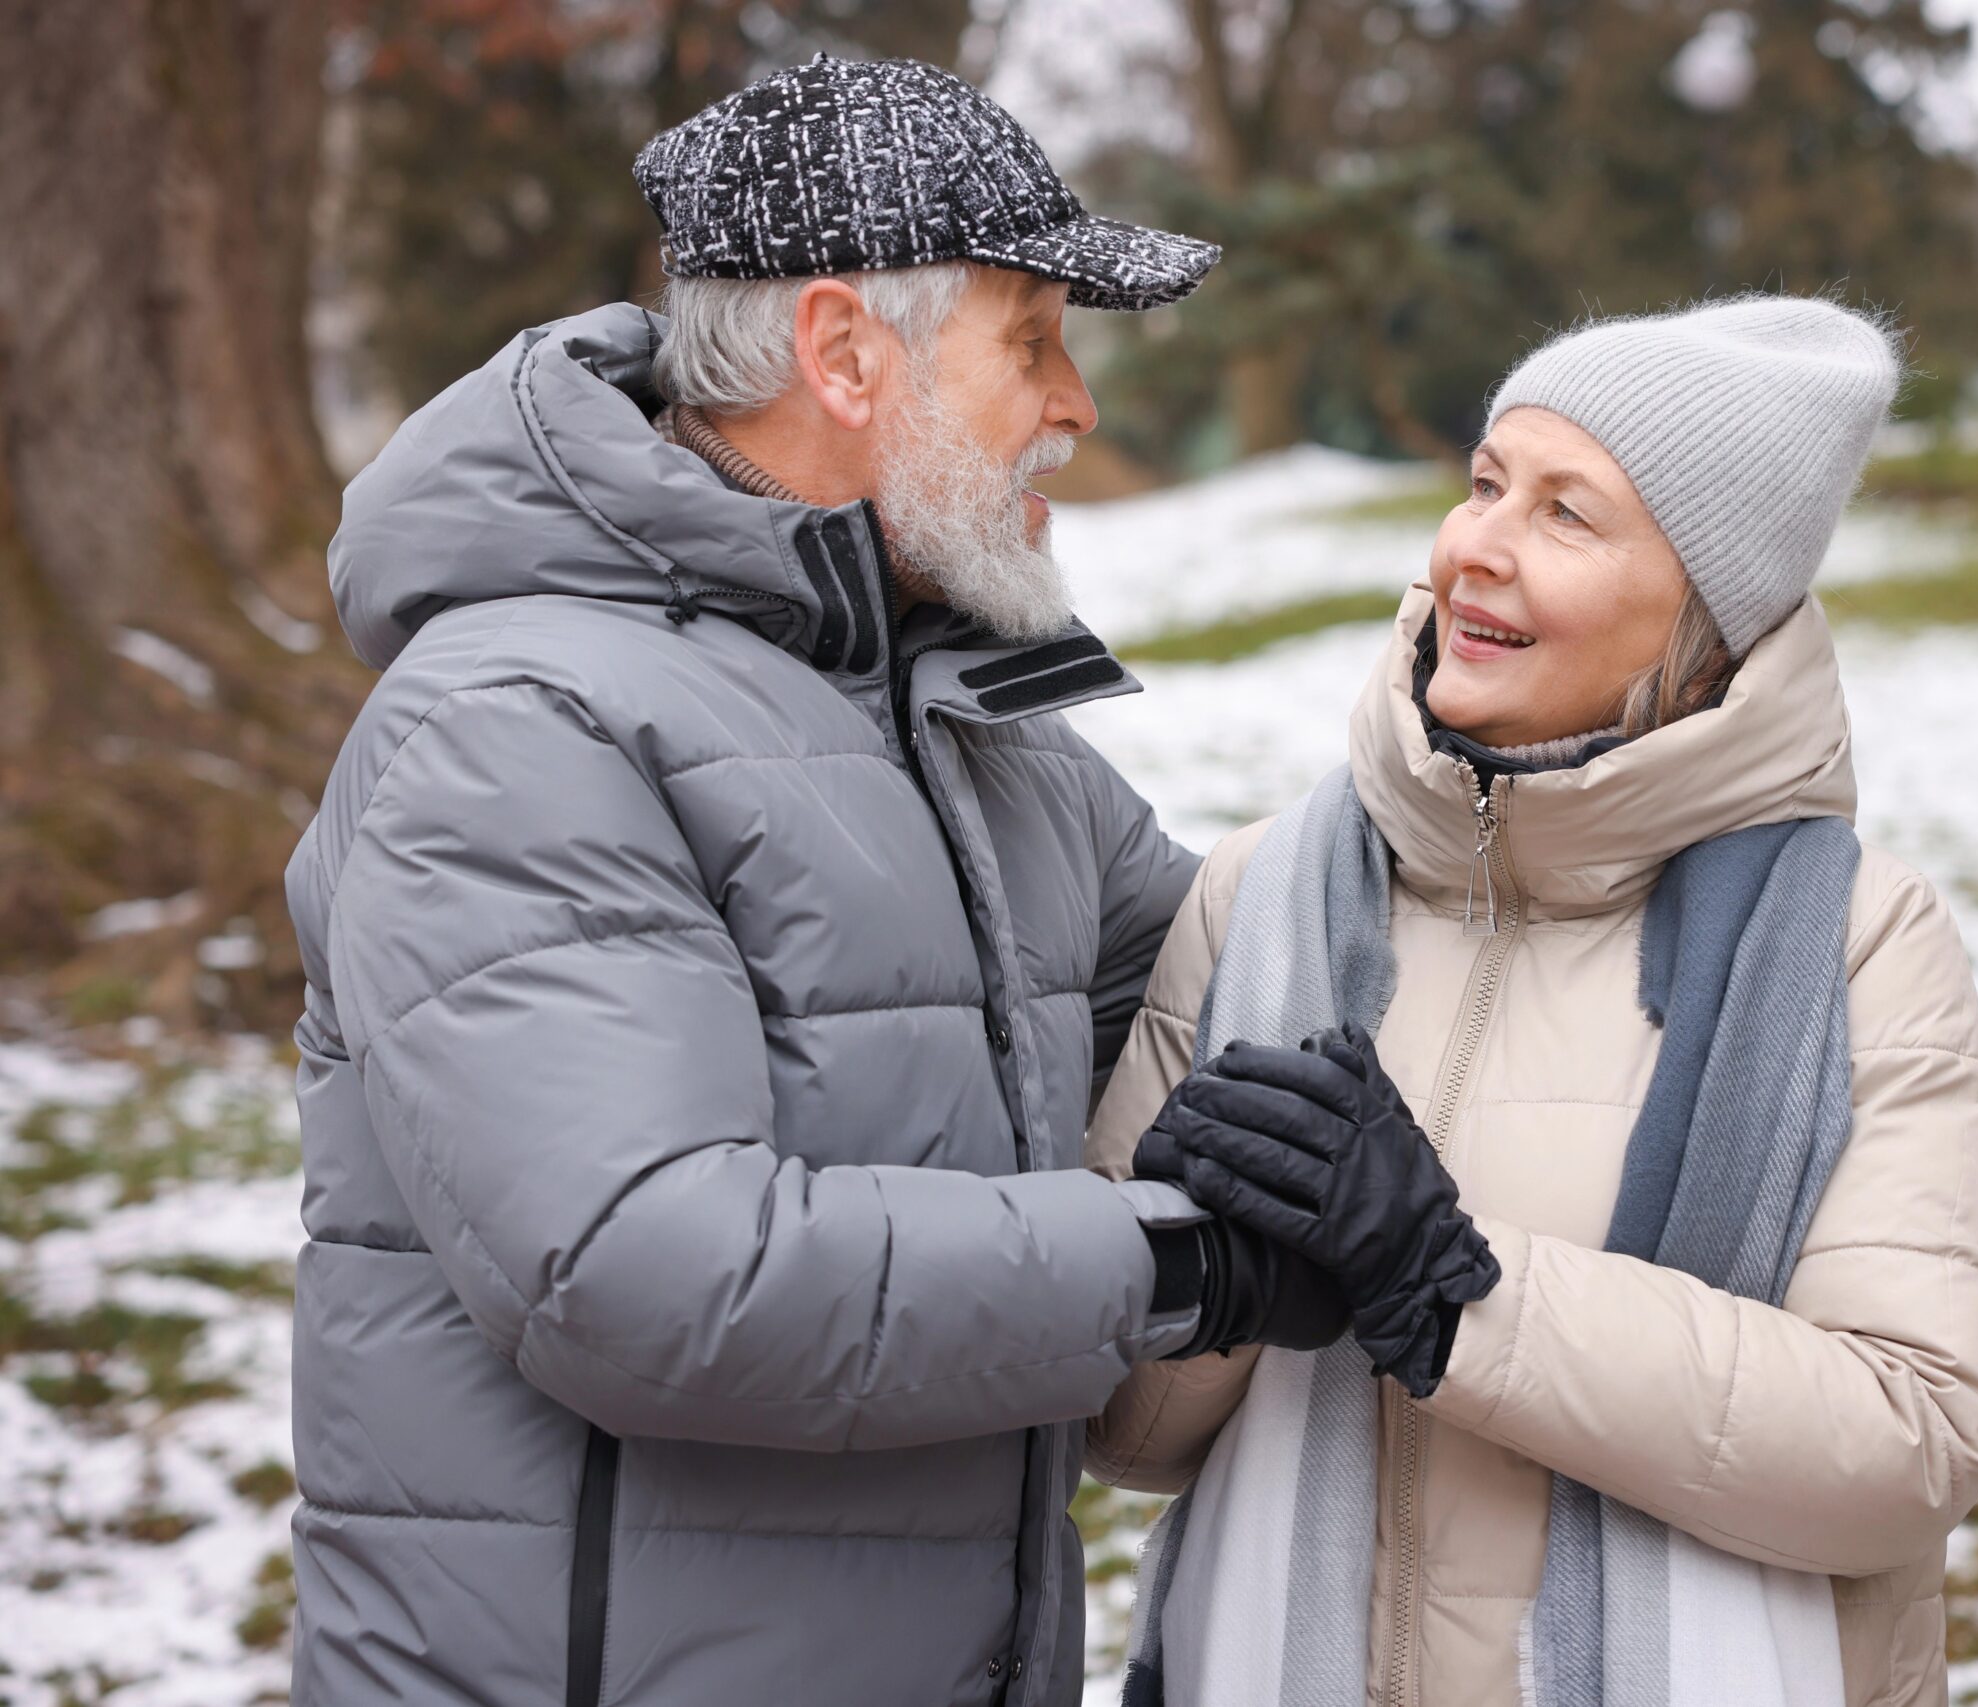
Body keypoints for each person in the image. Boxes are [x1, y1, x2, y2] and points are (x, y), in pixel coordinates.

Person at [284, 56, 1340, 1707]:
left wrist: (1491, 779)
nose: (1078, 404)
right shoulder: (519, 726)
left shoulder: (962, 714)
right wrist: (1186, 1265)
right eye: (1034, 339)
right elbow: (645, 1275)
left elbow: (1238, 964)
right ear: (846, 352)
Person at [1086, 297, 1978, 1707]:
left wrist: (1455, 1292)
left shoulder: (1850, 943)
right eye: (1484, 483)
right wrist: (1211, 1282)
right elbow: (1127, 1434)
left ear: (1704, 617)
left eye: (1567, 514)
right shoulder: (1263, 895)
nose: (1477, 546)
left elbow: (1911, 1439)